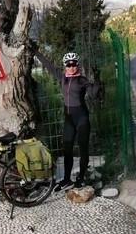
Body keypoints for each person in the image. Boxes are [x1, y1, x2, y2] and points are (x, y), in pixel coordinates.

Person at [35, 49, 101, 191]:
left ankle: (81, 178)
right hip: (69, 120)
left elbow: (93, 94)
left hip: (82, 118)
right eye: (68, 64)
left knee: (83, 149)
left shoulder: (82, 80)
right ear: (65, 65)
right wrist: (36, 52)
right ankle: (66, 179)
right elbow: (49, 66)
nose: (71, 67)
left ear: (77, 64)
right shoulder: (62, 77)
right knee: (67, 150)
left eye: (74, 64)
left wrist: (96, 82)